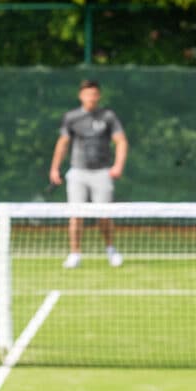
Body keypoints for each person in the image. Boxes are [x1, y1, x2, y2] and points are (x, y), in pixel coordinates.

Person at [49, 78, 128, 268]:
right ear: (81, 96)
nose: (91, 97)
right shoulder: (71, 117)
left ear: (98, 96)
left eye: (94, 94)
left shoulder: (108, 116)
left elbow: (121, 141)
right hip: (78, 172)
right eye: (87, 94)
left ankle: (111, 250)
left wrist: (118, 166)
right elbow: (63, 143)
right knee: (76, 215)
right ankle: (75, 254)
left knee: (104, 215)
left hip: (102, 172)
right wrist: (54, 168)